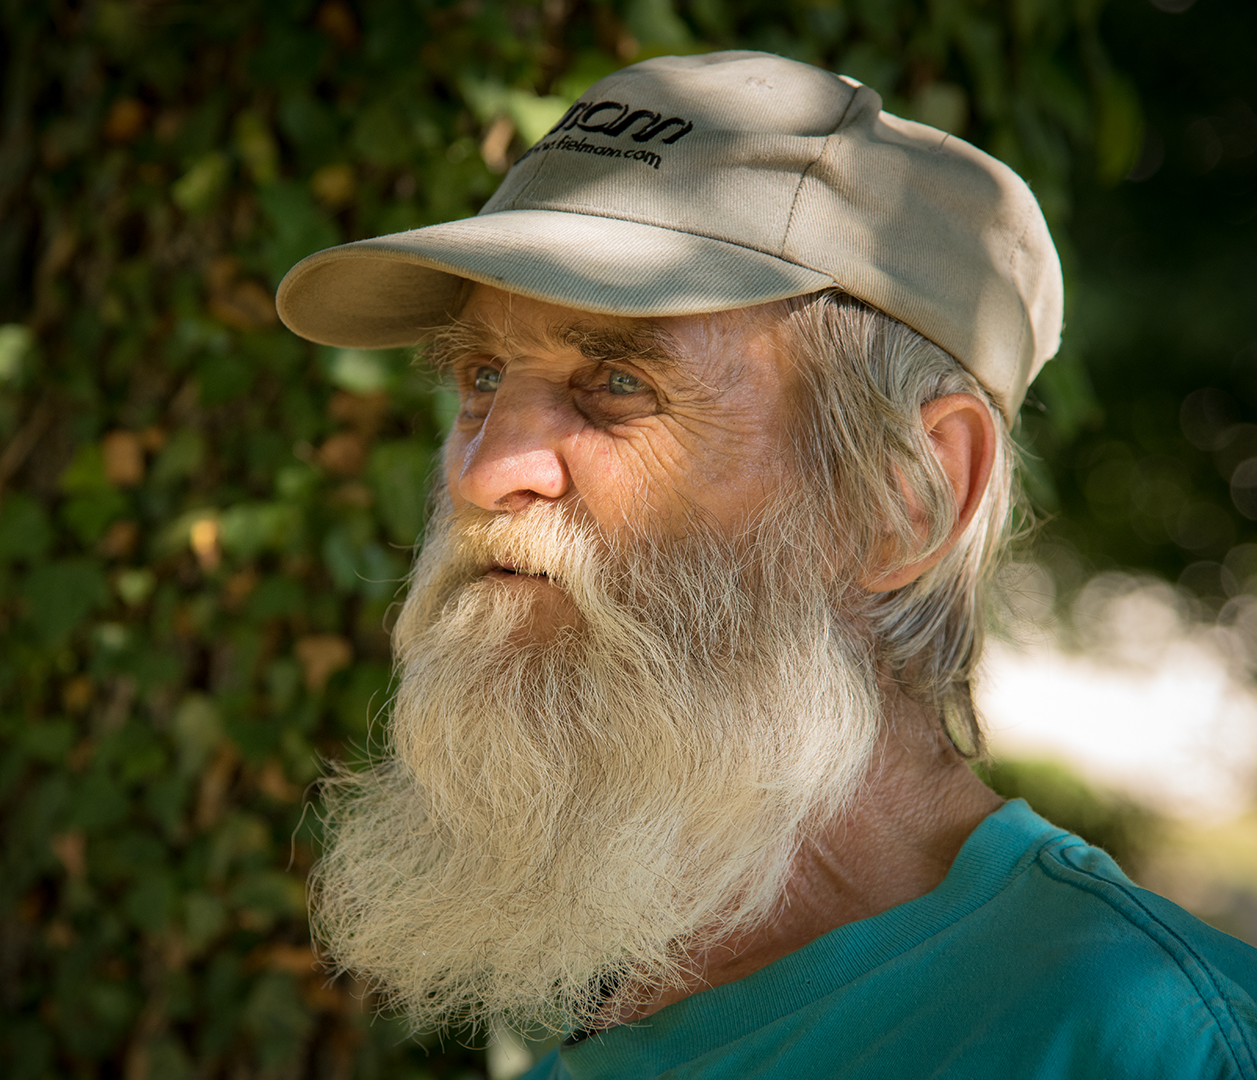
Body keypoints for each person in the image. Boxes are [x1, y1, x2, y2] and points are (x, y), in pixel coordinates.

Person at [275, 51, 1257, 1078]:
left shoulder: (1158, 1045)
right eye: (481, 376)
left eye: (615, 378)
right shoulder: (598, 1032)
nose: (486, 471)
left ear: (906, 496)